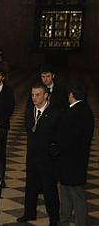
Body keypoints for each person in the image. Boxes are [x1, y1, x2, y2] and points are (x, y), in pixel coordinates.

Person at [17, 83, 61, 225]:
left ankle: (54, 217)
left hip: (48, 159)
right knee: (31, 187)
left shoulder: (55, 112)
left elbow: (58, 136)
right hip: (32, 157)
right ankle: (29, 213)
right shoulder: (29, 110)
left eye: (37, 95)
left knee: (50, 190)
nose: (34, 98)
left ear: (46, 95)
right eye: (32, 95)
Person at [57, 84, 95, 226]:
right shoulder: (86, 110)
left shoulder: (73, 112)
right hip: (77, 160)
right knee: (67, 192)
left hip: (70, 161)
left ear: (72, 95)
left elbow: (65, 137)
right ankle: (65, 220)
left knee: (75, 195)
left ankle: (79, 222)